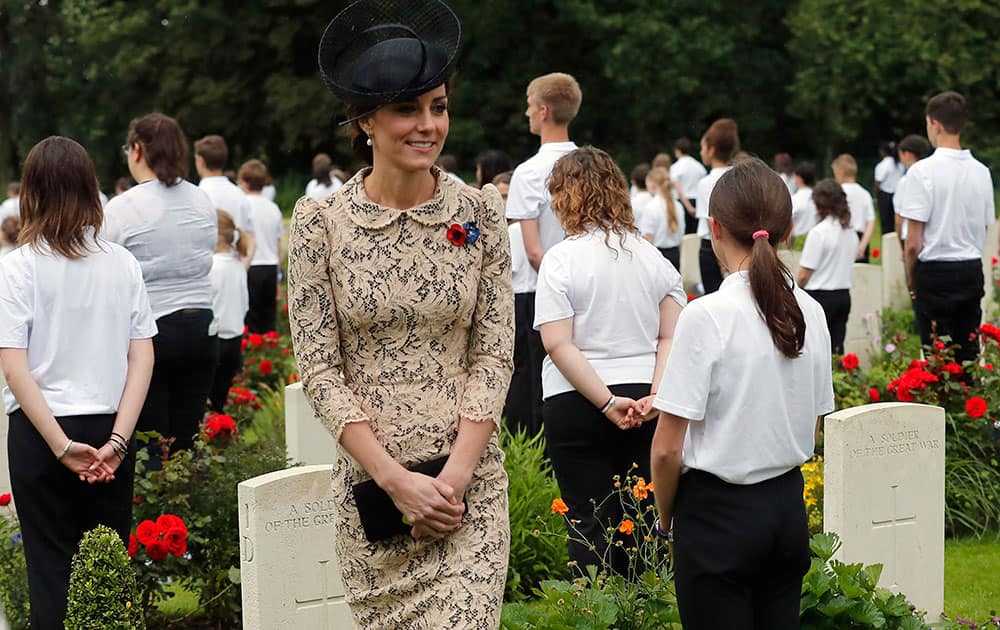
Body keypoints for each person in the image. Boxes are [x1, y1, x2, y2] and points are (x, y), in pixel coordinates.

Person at [288, 1, 513, 625]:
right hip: (375, 496)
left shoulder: (480, 215)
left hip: (468, 498)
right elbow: (321, 370)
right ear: (364, 122)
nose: (428, 124)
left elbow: (494, 353)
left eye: (438, 106)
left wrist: (454, 482)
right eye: (407, 108)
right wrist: (397, 482)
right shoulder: (319, 225)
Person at [648, 157, 834, 629]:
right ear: (788, 229)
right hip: (786, 508)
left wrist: (666, 522)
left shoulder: (706, 315)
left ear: (715, 228)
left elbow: (667, 449)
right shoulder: (811, 312)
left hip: (718, 516)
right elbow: (812, 420)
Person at [0, 136, 156, 629]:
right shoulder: (121, 264)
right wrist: (117, 440)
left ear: (32, 193)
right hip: (107, 424)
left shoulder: (17, 268)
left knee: (50, 572)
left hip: (41, 429)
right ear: (90, 190)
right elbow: (142, 356)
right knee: (108, 573)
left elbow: (14, 366)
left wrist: (63, 446)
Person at [535, 146, 685, 577]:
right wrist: (656, 394)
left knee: (587, 521)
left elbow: (559, 344)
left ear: (565, 196)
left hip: (577, 398)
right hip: (644, 399)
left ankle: (592, 612)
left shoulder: (561, 260)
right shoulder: (652, 257)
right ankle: (639, 611)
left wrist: (604, 402)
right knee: (637, 523)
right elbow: (670, 334)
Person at [103, 113, 219, 462]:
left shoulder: (123, 207)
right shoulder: (201, 200)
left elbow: (107, 271)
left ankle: (156, 515)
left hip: (152, 331)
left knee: (152, 445)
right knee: (187, 442)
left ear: (136, 150)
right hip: (202, 326)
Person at [505, 71, 582, 434]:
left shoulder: (529, 172)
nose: (527, 114)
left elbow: (534, 251)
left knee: (539, 380)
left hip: (544, 292)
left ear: (545, 111)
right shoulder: (590, 164)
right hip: (590, 286)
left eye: (530, 106)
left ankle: (540, 451)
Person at [899, 91, 996, 366]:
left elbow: (913, 243)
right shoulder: (982, 172)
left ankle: (941, 408)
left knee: (937, 357)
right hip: (970, 268)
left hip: (935, 272)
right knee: (967, 354)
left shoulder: (922, 171)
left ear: (936, 124)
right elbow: (985, 228)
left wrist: (911, 278)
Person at [500, 170, 541, 436]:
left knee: (519, 369)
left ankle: (518, 429)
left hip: (520, 298)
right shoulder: (536, 231)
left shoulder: (514, 232)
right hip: (533, 297)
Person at [797, 180, 858, 354]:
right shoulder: (850, 231)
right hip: (843, 294)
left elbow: (804, 274)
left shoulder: (819, 232)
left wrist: (795, 291)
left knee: (816, 350)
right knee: (837, 349)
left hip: (820, 296)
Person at [208, 210, 249, 413]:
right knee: (219, 400)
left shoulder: (212, 267)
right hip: (235, 338)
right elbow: (245, 304)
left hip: (216, 339)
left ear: (216, 236)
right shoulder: (237, 265)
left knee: (207, 400)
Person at [195, 135, 256, 266]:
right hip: (235, 265)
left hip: (207, 271)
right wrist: (243, 267)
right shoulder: (239, 193)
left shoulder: (196, 195)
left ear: (200, 161)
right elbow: (250, 237)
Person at [238, 159, 283, 333]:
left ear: (245, 182)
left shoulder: (243, 204)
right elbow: (278, 243)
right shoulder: (273, 207)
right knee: (268, 320)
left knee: (250, 321)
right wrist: (279, 273)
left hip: (251, 265)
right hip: (270, 266)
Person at [695, 119, 740, 294]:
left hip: (713, 247)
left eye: (702, 148)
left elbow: (712, 222)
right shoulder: (736, 176)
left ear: (711, 150)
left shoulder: (707, 182)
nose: (701, 152)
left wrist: (723, 262)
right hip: (737, 243)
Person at [831, 154, 875, 262]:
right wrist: (862, 246)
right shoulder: (865, 193)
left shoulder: (837, 192)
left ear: (840, 173)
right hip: (860, 238)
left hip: (841, 238)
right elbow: (870, 222)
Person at [641, 166, 684, 269]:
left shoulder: (650, 207)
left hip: (657, 258)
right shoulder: (678, 205)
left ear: (652, 184)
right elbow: (682, 233)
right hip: (676, 255)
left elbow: (648, 239)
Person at [892, 134, 933, 239]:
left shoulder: (905, 181)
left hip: (910, 238)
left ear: (908, 154)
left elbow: (899, 220)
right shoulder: (933, 177)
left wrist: (901, 244)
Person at [671, 138, 707, 235]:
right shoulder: (699, 166)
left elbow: (679, 190)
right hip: (698, 202)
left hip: (683, 203)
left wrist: (689, 207)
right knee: (695, 236)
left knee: (683, 236)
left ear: (677, 150)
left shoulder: (676, 167)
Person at [874, 141, 904, 235]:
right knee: (896, 221)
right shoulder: (900, 164)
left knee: (886, 223)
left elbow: (878, 182)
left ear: (883, 152)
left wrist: (876, 195)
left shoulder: (883, 165)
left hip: (885, 195)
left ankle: (888, 246)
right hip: (898, 194)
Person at [790, 161, 818, 237]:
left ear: (799, 178)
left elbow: (790, 225)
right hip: (816, 237)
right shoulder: (819, 198)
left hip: (798, 241)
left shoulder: (794, 199)